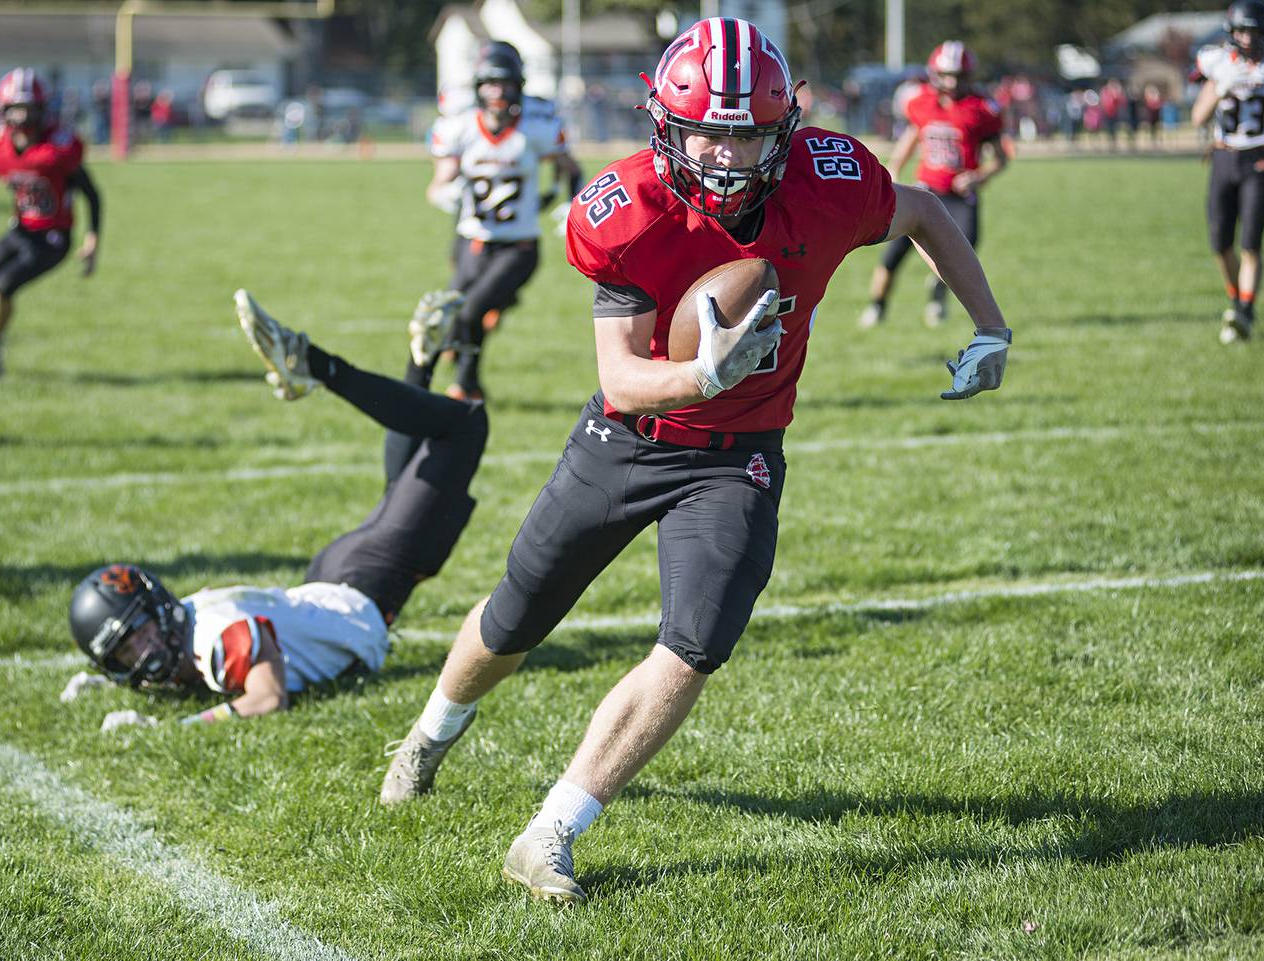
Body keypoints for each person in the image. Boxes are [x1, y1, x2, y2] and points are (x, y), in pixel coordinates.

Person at [377, 17, 1013, 904]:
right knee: (517, 616)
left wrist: (990, 324)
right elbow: (623, 378)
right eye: (706, 131)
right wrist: (701, 372)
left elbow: (923, 209)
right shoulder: (628, 211)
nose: (722, 153)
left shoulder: (828, 181)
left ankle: (552, 829)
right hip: (627, 441)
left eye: (744, 131)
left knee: (697, 639)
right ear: (665, 127)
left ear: (781, 131)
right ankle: (429, 736)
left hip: (740, 454)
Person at [65, 291, 489, 729]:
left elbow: (267, 697)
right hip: (341, 583)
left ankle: (321, 365)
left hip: (359, 585)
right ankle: (417, 364)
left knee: (464, 425)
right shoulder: (186, 625)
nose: (142, 655)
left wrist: (170, 727)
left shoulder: (216, 634)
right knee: (422, 469)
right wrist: (111, 683)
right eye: (125, 654)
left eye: (139, 638)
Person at [406, 40, 583, 402]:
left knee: (470, 312)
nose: (498, 93)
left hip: (518, 246)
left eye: (504, 84)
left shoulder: (535, 127)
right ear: (478, 87)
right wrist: (444, 192)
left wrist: (570, 203)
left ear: (518, 86)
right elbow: (438, 182)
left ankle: (464, 385)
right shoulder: (463, 128)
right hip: (474, 242)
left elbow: (571, 168)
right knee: (450, 316)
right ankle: (428, 387)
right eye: (490, 84)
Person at [0, 68, 101, 380]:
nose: (21, 118)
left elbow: (92, 193)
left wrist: (92, 239)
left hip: (52, 237)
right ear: (2, 111)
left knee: (4, 285)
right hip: (20, 230)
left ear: (42, 111)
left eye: (28, 109)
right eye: (15, 110)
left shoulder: (57, 149)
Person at [859, 42, 1008, 329]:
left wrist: (980, 176)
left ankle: (938, 294)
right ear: (935, 73)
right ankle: (877, 307)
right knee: (891, 255)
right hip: (924, 190)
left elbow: (1001, 158)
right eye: (947, 74)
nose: (952, 82)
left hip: (961, 196)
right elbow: (913, 136)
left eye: (959, 76)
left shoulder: (981, 108)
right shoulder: (922, 101)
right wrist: (893, 169)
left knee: (960, 256)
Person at [1191, 0, 1264, 344]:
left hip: (1260, 156)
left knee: (1251, 242)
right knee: (1220, 241)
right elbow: (1198, 117)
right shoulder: (1218, 65)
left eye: (1256, 32)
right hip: (1224, 157)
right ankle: (1235, 297)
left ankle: (1245, 310)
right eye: (1243, 31)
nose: (1248, 38)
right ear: (1231, 33)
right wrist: (1220, 87)